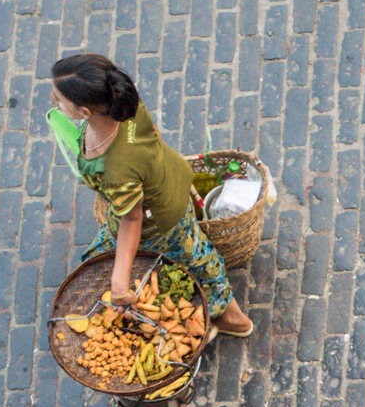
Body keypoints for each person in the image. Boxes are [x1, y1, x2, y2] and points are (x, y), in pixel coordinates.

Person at [45, 53, 253, 337]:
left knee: (198, 263)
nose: (52, 100)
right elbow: (154, 135)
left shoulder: (115, 169)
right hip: (170, 180)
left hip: (159, 219)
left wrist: (120, 281)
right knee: (188, 254)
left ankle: (234, 321)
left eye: (58, 99)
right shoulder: (123, 106)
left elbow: (132, 219)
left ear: (85, 112)